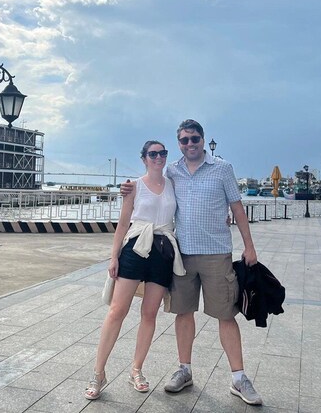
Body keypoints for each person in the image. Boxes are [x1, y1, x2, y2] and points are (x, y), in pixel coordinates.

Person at [121, 119, 262, 406]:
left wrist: (249, 246)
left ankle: (239, 378)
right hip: (181, 255)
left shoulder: (222, 168)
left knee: (226, 315)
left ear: (203, 139)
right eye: (184, 140)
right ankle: (184, 370)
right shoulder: (173, 170)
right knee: (183, 313)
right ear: (179, 144)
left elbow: (237, 208)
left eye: (194, 138)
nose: (190, 144)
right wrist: (128, 188)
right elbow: (153, 184)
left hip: (216, 254)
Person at [85, 140, 185, 400]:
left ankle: (136, 370)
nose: (158, 157)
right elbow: (122, 224)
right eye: (153, 154)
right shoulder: (134, 186)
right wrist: (113, 257)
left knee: (149, 313)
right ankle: (98, 373)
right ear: (144, 158)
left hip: (163, 251)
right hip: (135, 247)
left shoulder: (173, 184)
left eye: (162, 153)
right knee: (117, 310)